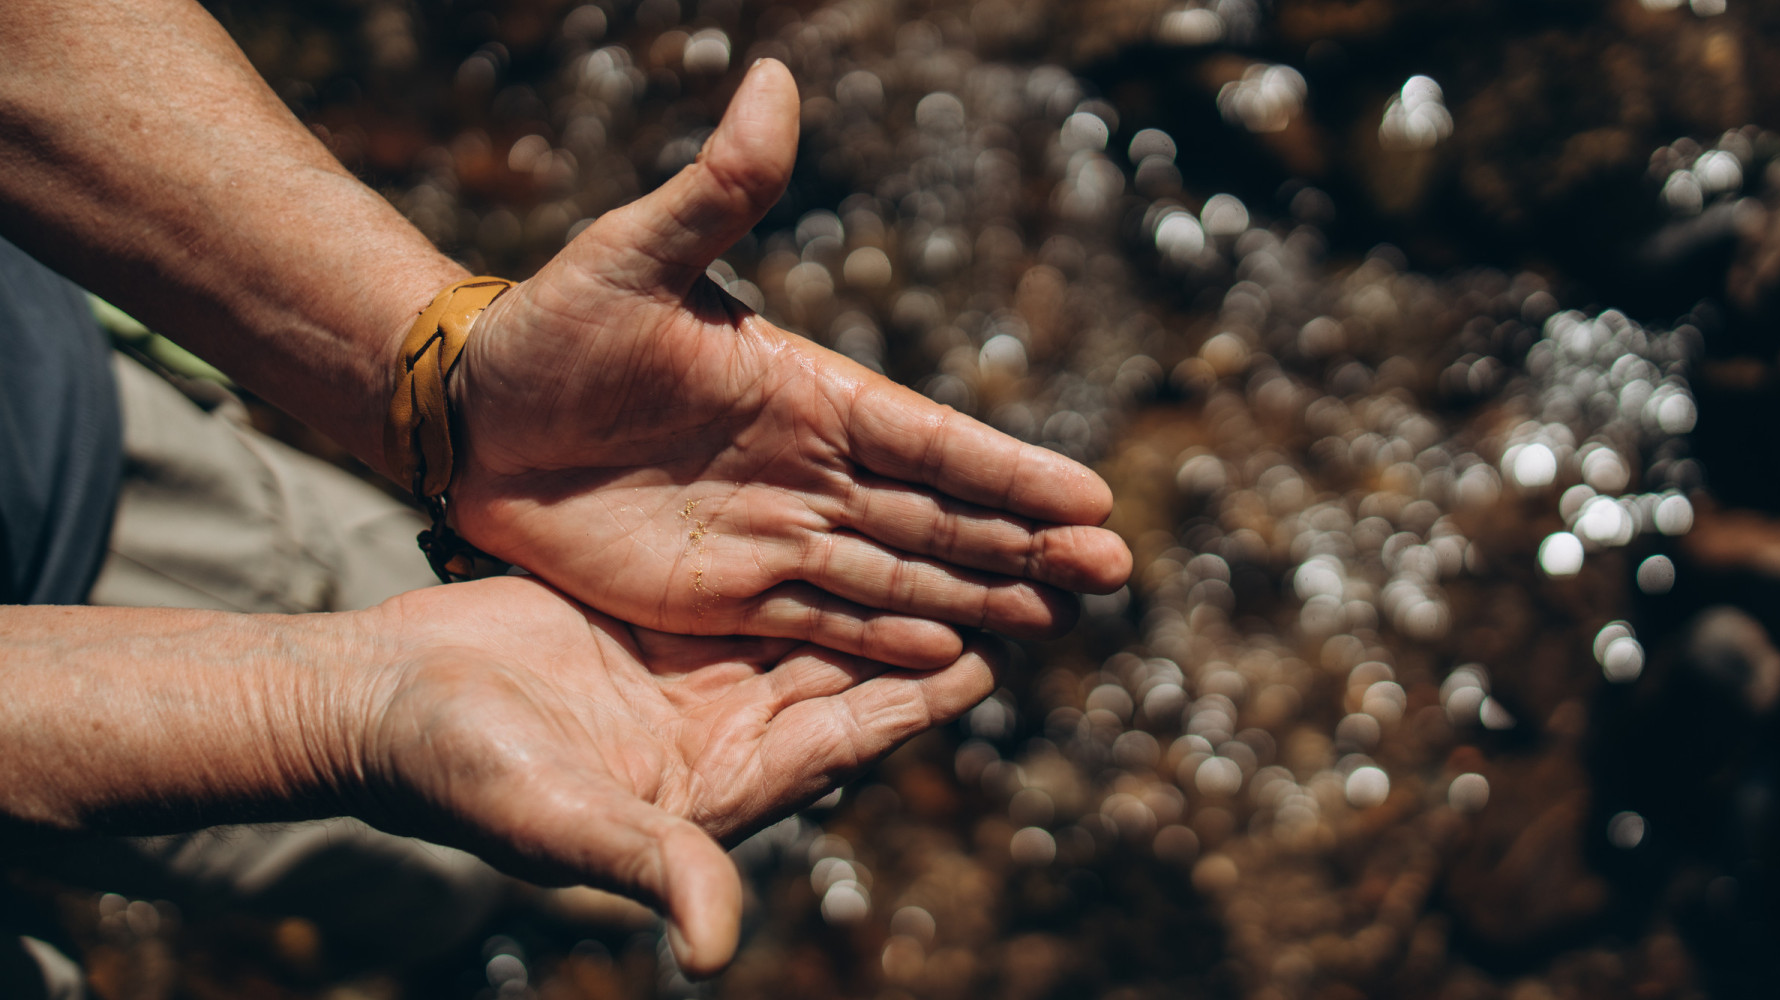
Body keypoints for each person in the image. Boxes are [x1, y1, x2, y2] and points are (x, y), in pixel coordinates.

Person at [0, 0, 1131, 983]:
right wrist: (337, 714)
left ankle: (491, 910)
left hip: (55, 438)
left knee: (450, 833)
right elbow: (371, 707)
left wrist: (449, 376)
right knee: (460, 784)